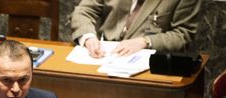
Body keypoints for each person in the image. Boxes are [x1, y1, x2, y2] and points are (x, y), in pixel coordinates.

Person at [70, 0, 202, 58]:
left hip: (149, 66)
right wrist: (88, 37)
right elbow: (84, 11)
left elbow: (183, 35)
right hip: (104, 56)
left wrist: (146, 41)